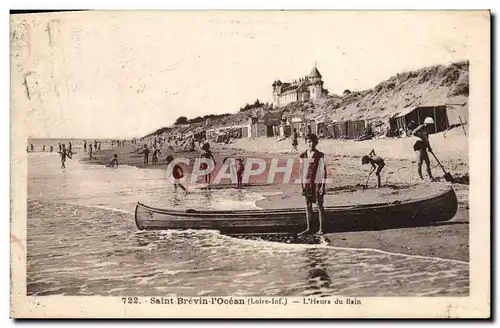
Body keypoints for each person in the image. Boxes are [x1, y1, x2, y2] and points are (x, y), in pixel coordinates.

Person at [299, 133, 327, 235]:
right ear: (306, 142)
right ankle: (309, 228)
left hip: (317, 183)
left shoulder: (320, 155)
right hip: (307, 183)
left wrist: (323, 186)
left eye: (313, 142)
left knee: (319, 205)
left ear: (316, 143)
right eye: (309, 141)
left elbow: (323, 170)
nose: (311, 144)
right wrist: (302, 185)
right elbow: (301, 171)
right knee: (308, 205)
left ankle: (321, 229)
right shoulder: (303, 155)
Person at [412, 117, 436, 182]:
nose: (431, 127)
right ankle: (421, 178)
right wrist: (420, 136)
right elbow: (413, 132)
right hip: (418, 145)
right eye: (430, 125)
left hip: (424, 146)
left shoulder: (427, 130)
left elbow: (427, 140)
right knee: (420, 162)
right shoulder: (421, 127)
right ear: (427, 124)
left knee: (427, 162)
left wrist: (429, 147)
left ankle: (431, 177)